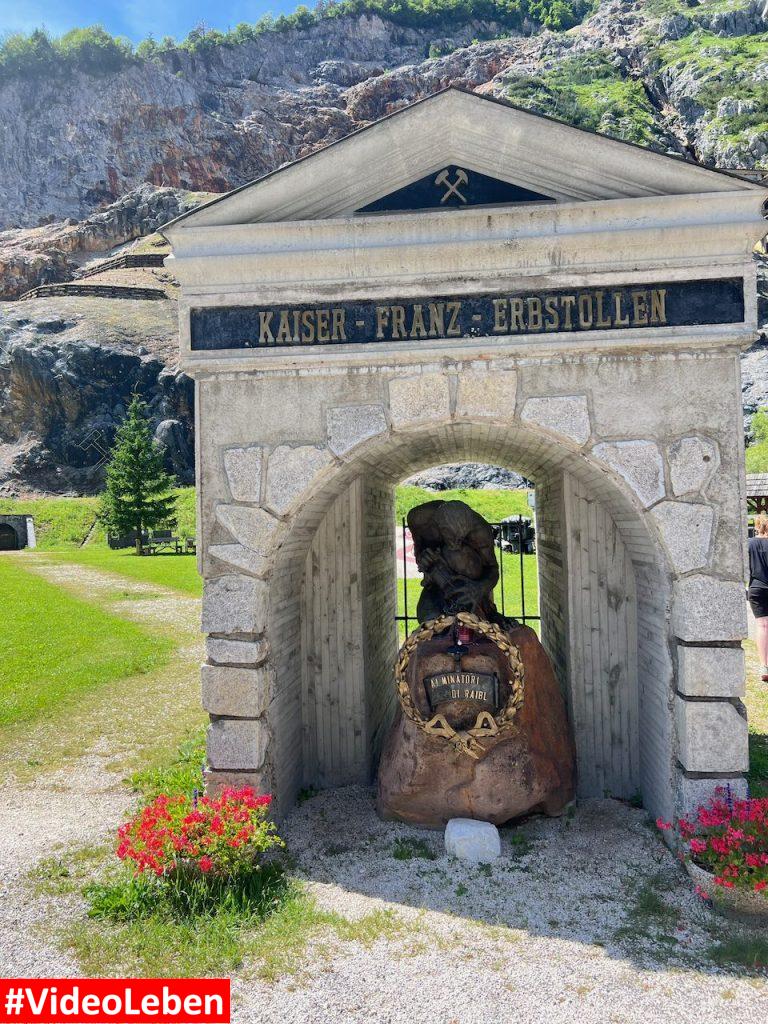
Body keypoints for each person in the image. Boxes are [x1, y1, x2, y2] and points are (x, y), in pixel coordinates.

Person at [748, 513, 768, 682]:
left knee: (762, 626)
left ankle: (763, 665)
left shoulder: (750, 544)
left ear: (756, 527)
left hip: (756, 587)